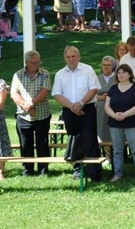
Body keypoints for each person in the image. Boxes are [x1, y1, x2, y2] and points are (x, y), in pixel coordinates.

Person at [52, 46, 102, 181]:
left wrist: (81, 104)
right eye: (68, 57)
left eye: (73, 56)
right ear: (65, 58)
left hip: (87, 108)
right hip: (69, 111)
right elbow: (57, 94)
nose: (71, 59)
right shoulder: (60, 74)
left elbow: (93, 89)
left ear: (78, 57)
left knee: (90, 139)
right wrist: (72, 107)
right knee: (74, 140)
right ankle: (77, 170)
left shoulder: (88, 70)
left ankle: (94, 172)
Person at [10, 50, 52, 177]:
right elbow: (14, 93)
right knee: (25, 144)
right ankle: (27, 170)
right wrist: (25, 105)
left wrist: (32, 104)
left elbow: (45, 91)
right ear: (26, 63)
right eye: (34, 63)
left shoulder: (45, 74)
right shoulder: (18, 75)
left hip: (42, 115)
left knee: (42, 143)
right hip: (23, 115)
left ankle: (43, 170)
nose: (37, 65)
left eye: (38, 62)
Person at [104, 64, 135, 182]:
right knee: (117, 150)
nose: (121, 75)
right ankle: (117, 174)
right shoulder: (112, 88)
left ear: (129, 74)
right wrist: (114, 115)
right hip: (115, 123)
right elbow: (107, 105)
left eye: (123, 72)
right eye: (119, 73)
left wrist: (125, 114)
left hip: (132, 123)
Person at [95, 56, 117, 161]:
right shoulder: (97, 78)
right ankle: (106, 156)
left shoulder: (117, 77)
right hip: (100, 110)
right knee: (102, 131)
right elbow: (89, 94)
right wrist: (99, 97)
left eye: (108, 65)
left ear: (113, 66)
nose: (106, 67)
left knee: (113, 132)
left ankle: (115, 156)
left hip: (114, 109)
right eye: (104, 65)